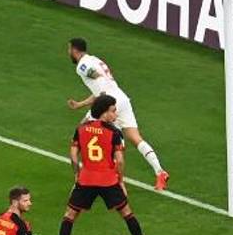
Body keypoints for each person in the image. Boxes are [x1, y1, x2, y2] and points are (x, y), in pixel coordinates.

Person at [57, 94, 153, 235]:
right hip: (108, 181)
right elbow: (120, 161)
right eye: (113, 111)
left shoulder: (81, 128)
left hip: (86, 179)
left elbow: (73, 156)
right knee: (127, 213)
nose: (115, 114)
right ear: (104, 112)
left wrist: (77, 175)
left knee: (70, 215)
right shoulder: (114, 132)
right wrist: (120, 181)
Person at [67, 37, 168, 189]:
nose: (68, 52)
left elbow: (98, 78)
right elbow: (100, 86)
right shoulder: (95, 59)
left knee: (83, 133)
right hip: (121, 98)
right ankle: (160, 172)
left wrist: (104, 99)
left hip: (109, 102)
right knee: (135, 137)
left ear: (74, 50)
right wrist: (80, 104)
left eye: (69, 49)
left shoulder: (82, 65)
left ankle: (89, 178)